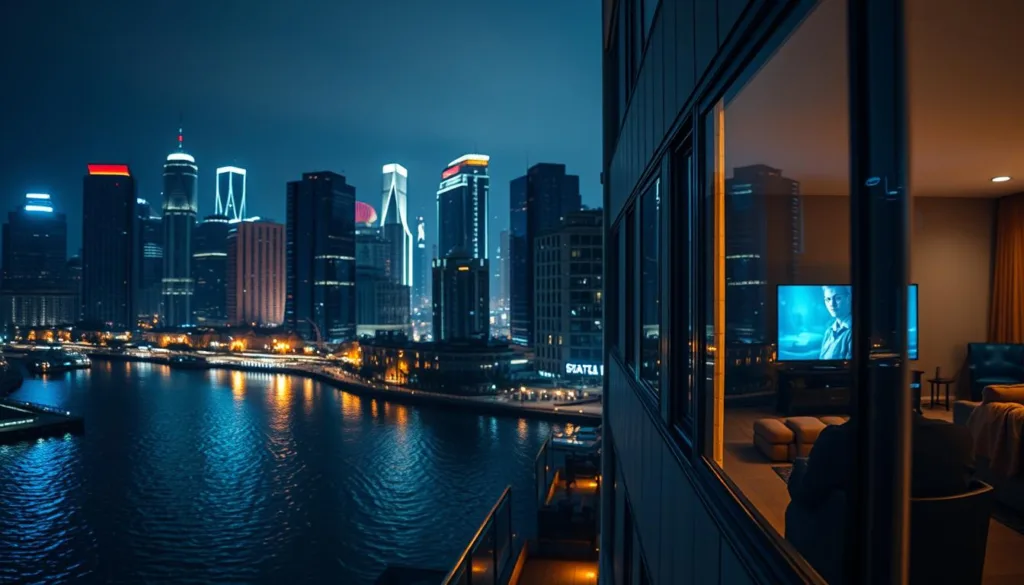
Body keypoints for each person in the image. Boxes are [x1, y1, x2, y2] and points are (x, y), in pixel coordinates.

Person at [788, 413, 974, 509]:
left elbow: (808, 496)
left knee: (802, 472)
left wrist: (800, 470)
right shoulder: (960, 436)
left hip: (863, 559)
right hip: (948, 551)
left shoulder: (837, 439)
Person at [819, 285, 853, 360]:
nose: (832, 304)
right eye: (828, 299)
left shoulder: (852, 332)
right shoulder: (829, 331)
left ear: (848, 298)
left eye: (838, 298)